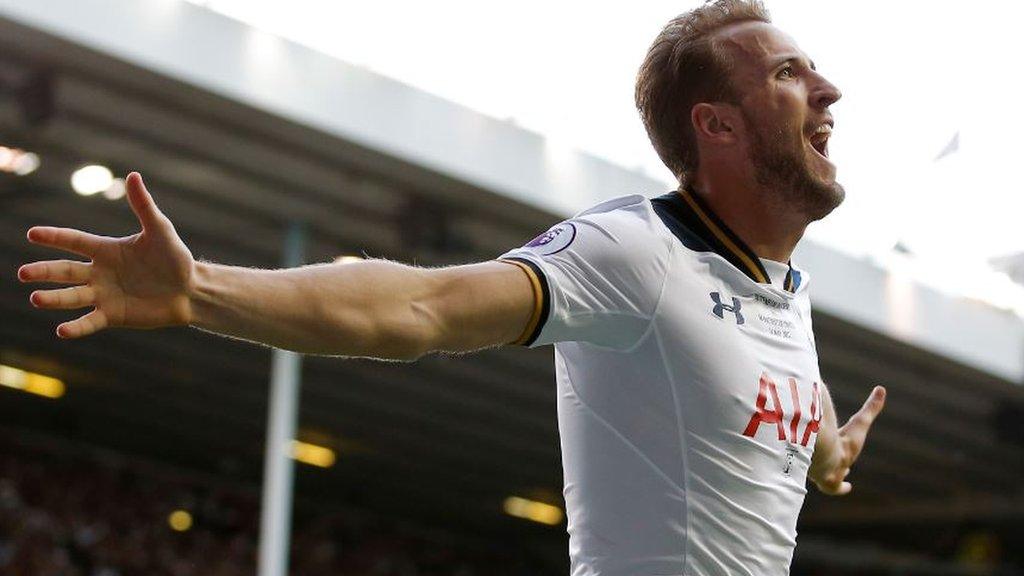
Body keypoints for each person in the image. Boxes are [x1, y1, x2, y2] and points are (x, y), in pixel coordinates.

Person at [18, 1, 886, 574]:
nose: (828, 88)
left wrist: (830, 458)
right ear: (717, 125)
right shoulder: (639, 251)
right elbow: (419, 306)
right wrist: (201, 289)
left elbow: (783, 410)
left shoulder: (782, 296)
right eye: (787, 74)